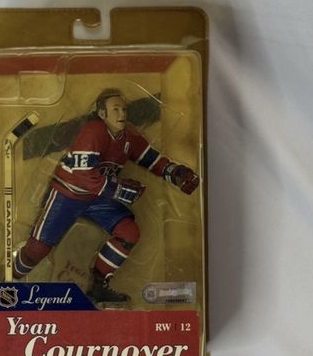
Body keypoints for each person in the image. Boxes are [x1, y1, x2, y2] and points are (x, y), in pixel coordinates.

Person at [13, 88, 199, 302]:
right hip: (69, 194)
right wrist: (118, 189)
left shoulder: (129, 136)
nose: (122, 114)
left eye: (124, 109)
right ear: (102, 114)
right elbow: (83, 176)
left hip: (97, 198)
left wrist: (175, 172)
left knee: (129, 231)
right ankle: (10, 280)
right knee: (37, 249)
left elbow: (151, 159)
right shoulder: (93, 132)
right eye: (116, 109)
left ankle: (98, 286)